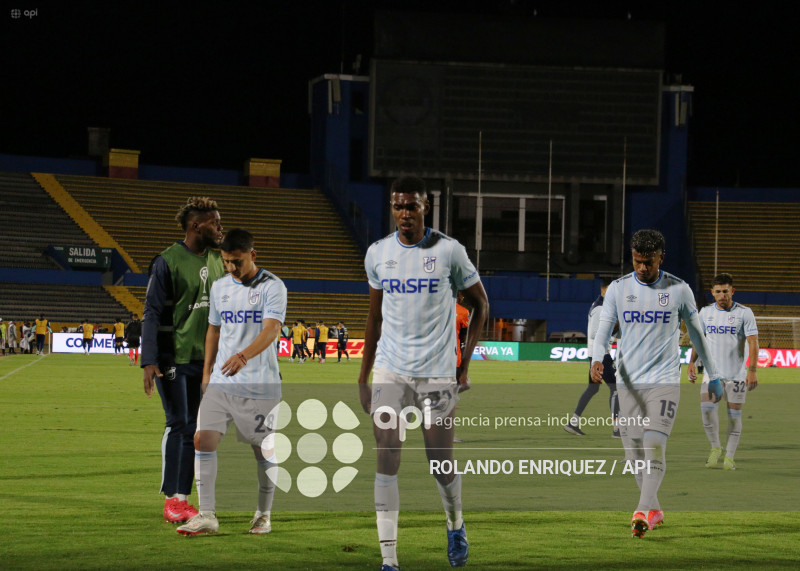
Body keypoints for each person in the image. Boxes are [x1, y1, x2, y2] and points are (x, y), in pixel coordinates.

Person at [358, 175, 489, 570]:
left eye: (411, 205)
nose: (404, 213)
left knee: (440, 463)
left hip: (436, 375)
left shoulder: (449, 251)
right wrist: (363, 376)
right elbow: (374, 317)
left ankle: (455, 523)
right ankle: (389, 559)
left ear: (425, 207)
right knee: (387, 454)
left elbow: (481, 304)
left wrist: (463, 367)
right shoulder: (378, 253)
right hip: (390, 371)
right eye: (398, 206)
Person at [591, 229, 722, 539]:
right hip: (628, 383)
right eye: (637, 261)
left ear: (661, 258)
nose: (642, 268)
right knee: (632, 451)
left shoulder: (679, 289)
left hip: (664, 380)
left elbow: (699, 335)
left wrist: (713, 374)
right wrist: (597, 358)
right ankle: (655, 509)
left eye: (648, 262)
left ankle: (641, 510)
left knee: (654, 444)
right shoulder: (619, 289)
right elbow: (603, 330)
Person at [176, 229, 286, 536]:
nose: (231, 268)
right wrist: (207, 373)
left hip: (260, 384)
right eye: (226, 262)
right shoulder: (221, 286)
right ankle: (207, 515)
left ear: (253, 255)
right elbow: (213, 329)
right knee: (202, 440)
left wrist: (244, 356)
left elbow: (271, 329)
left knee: (262, 449)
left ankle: (263, 514)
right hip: (222, 383)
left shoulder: (272, 286)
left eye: (236, 262)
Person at [142, 196, 225, 524]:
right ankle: (174, 499)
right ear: (195, 225)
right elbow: (150, 311)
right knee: (180, 423)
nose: (220, 227)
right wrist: (149, 359)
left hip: (209, 361)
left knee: (202, 429)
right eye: (214, 222)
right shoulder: (167, 261)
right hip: (174, 356)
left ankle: (188, 498)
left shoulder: (219, 259)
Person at [688, 273, 758, 471]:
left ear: (732, 291)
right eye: (717, 291)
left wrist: (752, 370)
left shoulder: (745, 313)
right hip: (713, 374)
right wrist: (692, 362)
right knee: (707, 412)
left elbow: (753, 343)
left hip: (736, 374)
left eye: (725, 291)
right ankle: (715, 447)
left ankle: (730, 456)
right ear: (712, 292)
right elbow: (698, 339)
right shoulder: (705, 313)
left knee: (734, 416)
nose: (722, 295)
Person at [565, 277, 620, 437]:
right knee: (615, 388)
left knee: (593, 388)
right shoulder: (601, 309)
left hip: (597, 353)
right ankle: (617, 429)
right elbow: (597, 334)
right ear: (603, 290)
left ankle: (573, 423)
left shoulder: (599, 306)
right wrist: (615, 337)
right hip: (600, 355)